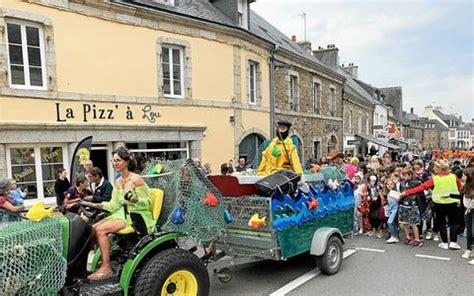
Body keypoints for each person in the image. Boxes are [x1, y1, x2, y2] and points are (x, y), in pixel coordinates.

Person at [81, 147, 155, 280]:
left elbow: (148, 202)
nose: (114, 163)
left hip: (137, 216)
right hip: (123, 213)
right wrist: (90, 204)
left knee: (101, 230)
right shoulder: (118, 181)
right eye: (113, 160)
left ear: (127, 162)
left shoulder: (136, 179)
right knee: (92, 228)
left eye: (118, 160)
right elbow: (113, 205)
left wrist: (135, 199)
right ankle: (84, 266)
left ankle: (106, 267)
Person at [401, 159, 463, 250]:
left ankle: (445, 243)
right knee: (453, 222)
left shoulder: (435, 179)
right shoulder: (453, 177)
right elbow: (461, 187)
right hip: (452, 202)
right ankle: (453, 243)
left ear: (439, 168)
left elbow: (422, 187)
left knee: (441, 222)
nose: (433, 168)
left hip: (439, 203)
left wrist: (407, 192)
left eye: (435, 167)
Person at [399, 168, 423, 247]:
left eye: (405, 175)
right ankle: (407, 237)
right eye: (403, 175)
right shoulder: (402, 183)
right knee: (405, 222)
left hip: (413, 205)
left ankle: (417, 239)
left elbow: (420, 194)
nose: (403, 177)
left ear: (410, 175)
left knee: (413, 223)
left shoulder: (416, 183)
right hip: (404, 204)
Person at [462, 167, 474, 264]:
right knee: (469, 231)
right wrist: (450, 195)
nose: (462, 177)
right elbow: (461, 195)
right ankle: (469, 249)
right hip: (468, 210)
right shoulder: (466, 186)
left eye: (464, 175)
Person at [384, 179, 400, 244]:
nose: (389, 185)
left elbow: (398, 200)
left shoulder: (395, 192)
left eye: (391, 184)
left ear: (394, 185)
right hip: (391, 210)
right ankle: (395, 237)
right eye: (388, 184)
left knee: (390, 222)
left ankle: (393, 236)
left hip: (395, 209)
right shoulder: (388, 192)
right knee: (393, 223)